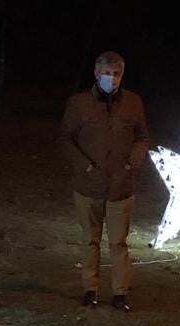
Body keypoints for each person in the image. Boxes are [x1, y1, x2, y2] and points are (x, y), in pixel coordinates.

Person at [58, 51, 149, 312]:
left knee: (119, 242)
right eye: (107, 73)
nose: (111, 78)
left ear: (122, 75)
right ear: (97, 74)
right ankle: (90, 289)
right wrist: (84, 165)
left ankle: (120, 293)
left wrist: (133, 161)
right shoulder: (79, 103)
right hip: (89, 186)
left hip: (121, 186)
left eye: (116, 73)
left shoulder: (133, 102)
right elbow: (65, 138)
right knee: (90, 239)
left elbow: (142, 136)